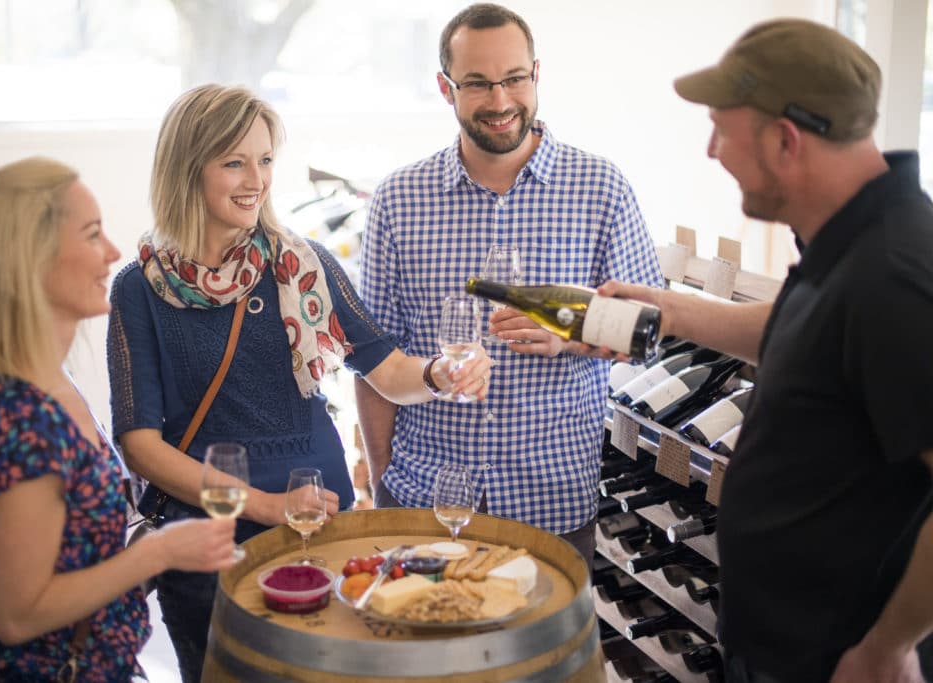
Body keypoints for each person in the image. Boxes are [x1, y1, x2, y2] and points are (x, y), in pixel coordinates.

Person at [107, 83, 492, 683]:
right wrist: (263, 506)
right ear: (187, 170)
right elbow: (140, 444)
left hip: (317, 517)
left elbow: (386, 369)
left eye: (264, 160)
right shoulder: (139, 288)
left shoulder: (302, 264)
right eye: (234, 162)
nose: (255, 180)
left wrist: (439, 374)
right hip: (206, 540)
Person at [591, 19, 933, 683]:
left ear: (785, 140)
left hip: (840, 662)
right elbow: (799, 326)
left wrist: (888, 645)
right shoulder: (851, 238)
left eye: (723, 128)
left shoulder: (894, 273)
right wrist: (659, 308)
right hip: (783, 645)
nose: (712, 150)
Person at [355, 2, 663, 572]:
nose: (500, 102)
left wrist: (569, 335)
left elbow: (649, 333)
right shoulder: (399, 200)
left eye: (514, 79)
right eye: (477, 83)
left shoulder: (601, 188)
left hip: (552, 502)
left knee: (542, 664)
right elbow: (374, 360)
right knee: (425, 660)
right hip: (425, 498)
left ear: (536, 76)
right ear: (446, 89)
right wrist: (382, 485)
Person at [0, 157, 237, 682]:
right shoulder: (24, 423)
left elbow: (74, 557)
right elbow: (16, 615)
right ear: (29, 258)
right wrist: (158, 552)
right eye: (92, 234)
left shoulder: (53, 383)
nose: (114, 251)